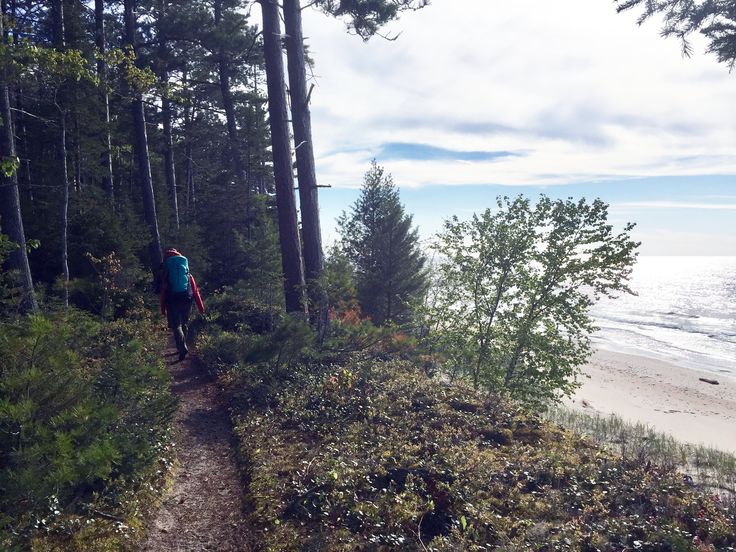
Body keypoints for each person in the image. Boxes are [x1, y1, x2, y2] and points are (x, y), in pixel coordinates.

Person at [159, 248, 205, 361]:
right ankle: (183, 345)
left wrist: (163, 309)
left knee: (176, 326)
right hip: (187, 299)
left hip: (172, 300)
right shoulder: (188, 275)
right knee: (184, 323)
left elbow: (163, 292)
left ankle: (182, 347)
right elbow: (195, 291)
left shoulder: (166, 274)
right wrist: (201, 307)